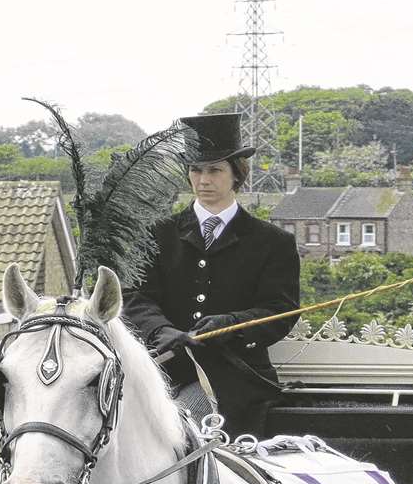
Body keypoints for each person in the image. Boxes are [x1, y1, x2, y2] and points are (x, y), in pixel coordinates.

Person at [124, 112, 301, 438]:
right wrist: (161, 330)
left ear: (237, 175)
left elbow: (281, 311)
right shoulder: (156, 235)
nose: (203, 180)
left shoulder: (273, 243)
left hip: (239, 380)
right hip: (164, 374)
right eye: (196, 170)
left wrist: (229, 325)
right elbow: (134, 296)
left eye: (215, 170)